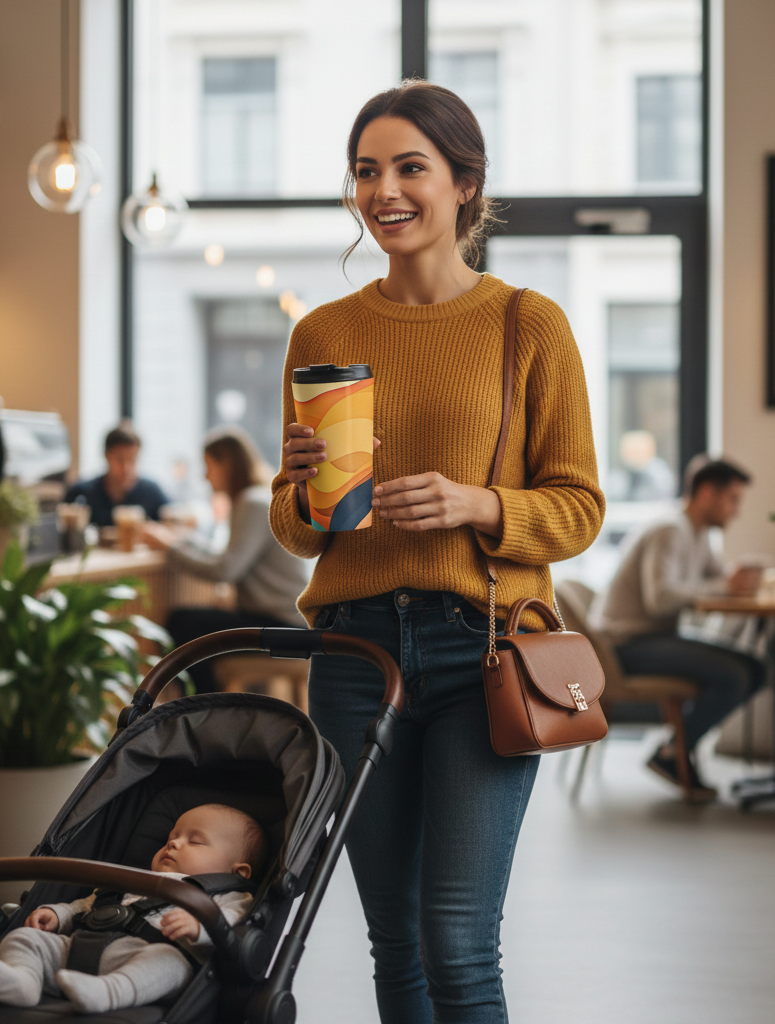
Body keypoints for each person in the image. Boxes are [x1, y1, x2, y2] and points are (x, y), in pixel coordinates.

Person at [270, 81, 604, 1024]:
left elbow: (578, 508)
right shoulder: (322, 332)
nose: (385, 190)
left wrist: (477, 504)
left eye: (410, 167)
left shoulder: (527, 325)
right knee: (396, 945)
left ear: (465, 183)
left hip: (482, 651)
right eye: (367, 171)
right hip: (352, 658)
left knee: (457, 941)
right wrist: (297, 487)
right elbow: (300, 531)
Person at [0, 803, 265, 1014]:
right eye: (170, 837)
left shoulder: (231, 894)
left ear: (238, 872)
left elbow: (233, 922)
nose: (173, 843)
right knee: (25, 939)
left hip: (148, 955)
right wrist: (59, 915)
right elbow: (89, 904)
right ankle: (23, 980)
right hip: (78, 948)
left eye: (195, 841)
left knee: (170, 963)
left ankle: (107, 993)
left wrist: (201, 925)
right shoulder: (133, 879)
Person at [592, 456, 766, 801]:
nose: (736, 511)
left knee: (755, 668)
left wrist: (737, 577)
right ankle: (672, 752)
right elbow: (661, 599)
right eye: (733, 499)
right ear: (705, 493)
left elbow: (718, 578)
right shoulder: (670, 530)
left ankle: (675, 748)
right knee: (737, 674)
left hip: (652, 638)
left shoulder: (698, 533)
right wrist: (726, 587)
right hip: (626, 644)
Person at [143, 426, 308, 693]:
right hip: (283, 622)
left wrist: (172, 547)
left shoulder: (252, 502)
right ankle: (204, 708)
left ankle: (203, 709)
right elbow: (227, 557)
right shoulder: (255, 498)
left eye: (208, 466)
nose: (205, 476)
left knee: (181, 622)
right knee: (188, 624)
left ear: (226, 464)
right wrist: (183, 541)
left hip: (283, 627)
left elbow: (225, 569)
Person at [64, 424, 169, 527]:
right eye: (120, 460)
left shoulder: (151, 493)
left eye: (132, 460)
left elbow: (174, 527)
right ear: (107, 456)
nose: (126, 468)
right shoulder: (82, 493)